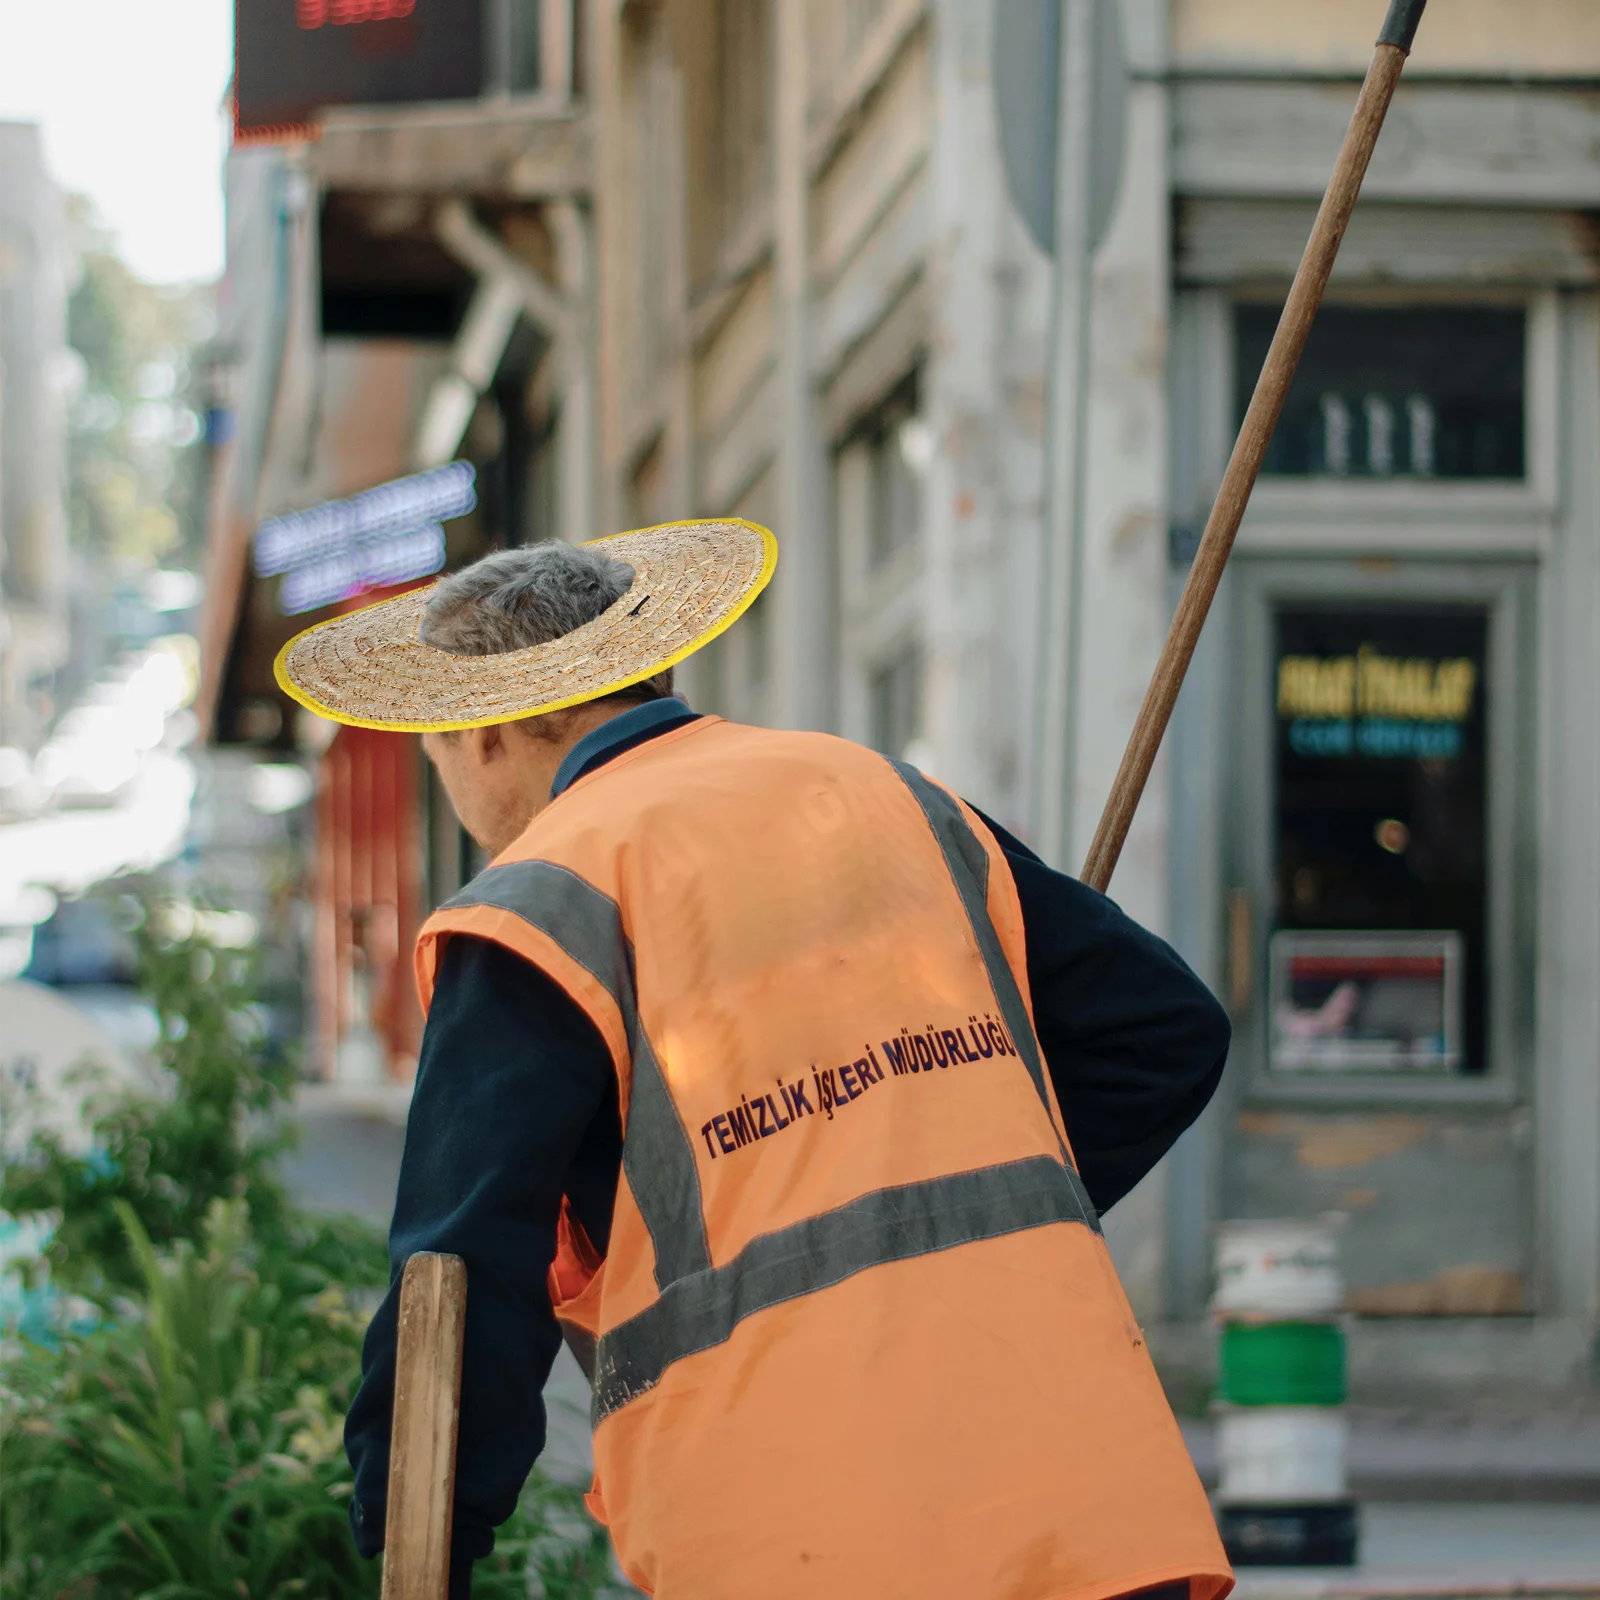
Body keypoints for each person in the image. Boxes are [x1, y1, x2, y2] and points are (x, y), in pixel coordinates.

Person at [277, 522, 1234, 1600]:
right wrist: (972, 1227)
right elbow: (1164, 1034)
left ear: (487, 731)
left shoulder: (536, 902)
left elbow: (460, 1274)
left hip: (799, 1528)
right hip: (1078, 1487)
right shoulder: (882, 793)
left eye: (436, 745)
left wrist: (416, 1523)